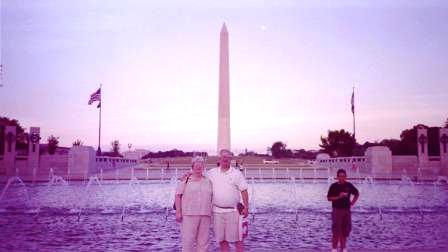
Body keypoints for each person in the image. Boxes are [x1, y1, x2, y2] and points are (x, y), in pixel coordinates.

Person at [207, 149, 249, 252]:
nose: (225, 159)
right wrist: (187, 177)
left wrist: (246, 207)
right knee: (222, 240)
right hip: (217, 212)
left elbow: (244, 190)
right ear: (219, 158)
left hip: (233, 212)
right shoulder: (211, 173)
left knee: (238, 239)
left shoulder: (236, 173)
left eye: (227, 157)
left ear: (231, 159)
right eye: (223, 157)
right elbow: (198, 176)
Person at [175, 156, 213, 252]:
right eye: (196, 167)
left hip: (205, 215)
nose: (198, 169)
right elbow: (178, 195)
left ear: (203, 168)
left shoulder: (208, 181)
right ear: (192, 167)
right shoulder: (186, 180)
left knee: (203, 243)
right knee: (188, 242)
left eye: (200, 167)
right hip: (189, 215)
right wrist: (178, 212)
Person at [327, 169, 360, 252]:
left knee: (345, 230)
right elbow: (329, 198)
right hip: (337, 210)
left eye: (343, 176)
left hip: (346, 211)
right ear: (337, 177)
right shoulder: (333, 186)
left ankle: (343, 248)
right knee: (336, 230)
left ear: (346, 177)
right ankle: (334, 248)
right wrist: (339, 197)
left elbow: (357, 194)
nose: (341, 177)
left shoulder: (349, 185)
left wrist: (352, 203)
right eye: (340, 176)